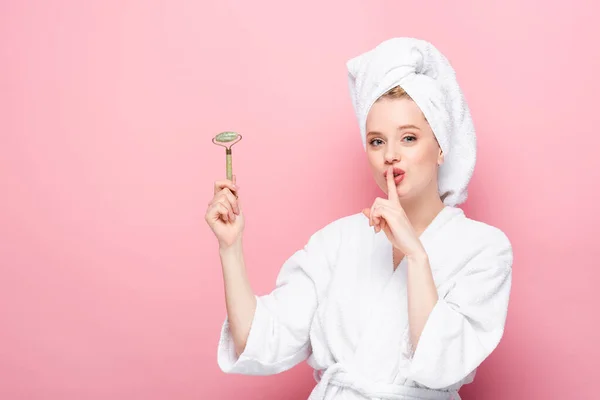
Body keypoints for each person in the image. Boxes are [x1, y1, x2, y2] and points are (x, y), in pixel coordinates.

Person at [205, 37, 513, 400]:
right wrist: (230, 248)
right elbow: (261, 340)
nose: (391, 155)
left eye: (409, 138)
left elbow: (440, 365)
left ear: (441, 145)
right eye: (377, 141)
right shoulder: (336, 241)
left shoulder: (485, 249)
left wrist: (416, 255)